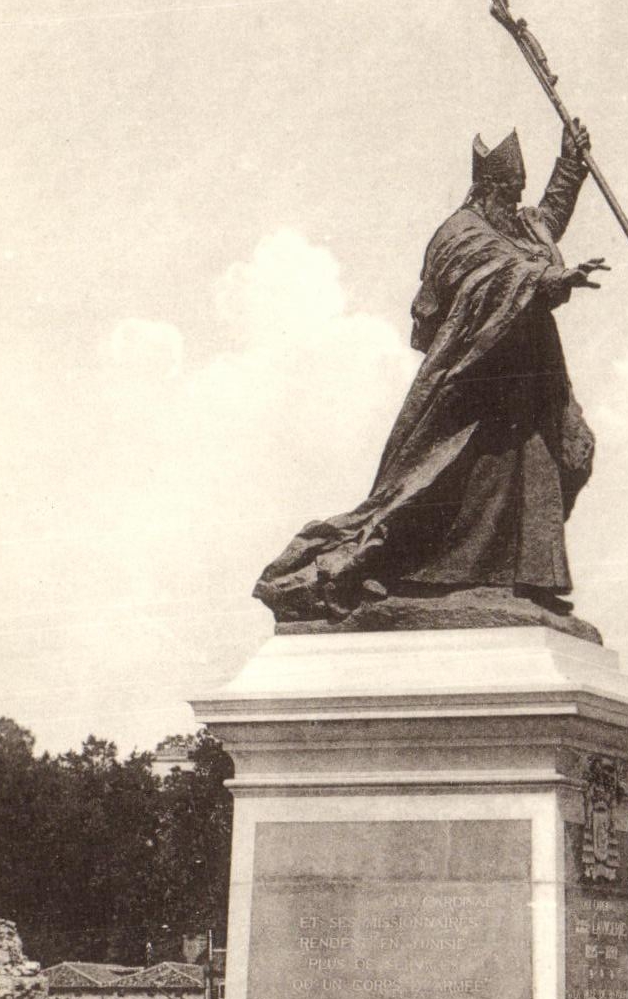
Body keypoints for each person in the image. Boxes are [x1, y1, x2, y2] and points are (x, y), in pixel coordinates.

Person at [254, 122, 609, 623]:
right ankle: (416, 576)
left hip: (530, 382)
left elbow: (545, 220)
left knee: (545, 467)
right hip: (478, 384)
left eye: (519, 190)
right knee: (449, 480)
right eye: (509, 189)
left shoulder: (515, 222)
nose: (516, 199)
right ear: (487, 187)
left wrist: (570, 164)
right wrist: (550, 276)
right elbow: (492, 276)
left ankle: (524, 581)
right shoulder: (460, 231)